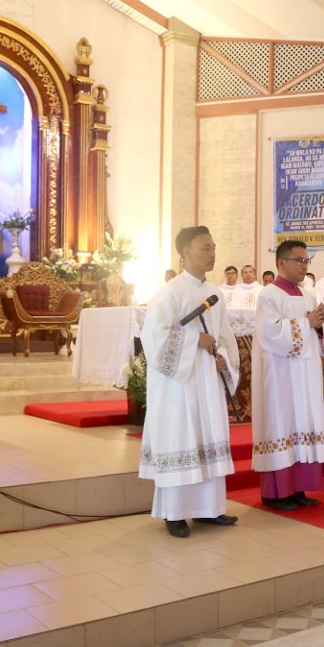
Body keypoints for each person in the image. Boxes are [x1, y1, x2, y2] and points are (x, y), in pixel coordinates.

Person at [139, 226, 240, 538]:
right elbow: (153, 338)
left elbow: (224, 336)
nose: (212, 253)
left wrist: (222, 354)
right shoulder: (170, 292)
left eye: (213, 247)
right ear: (184, 254)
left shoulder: (216, 294)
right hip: (178, 386)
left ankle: (208, 510)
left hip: (207, 379)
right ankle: (175, 513)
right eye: (204, 248)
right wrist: (196, 339)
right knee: (181, 438)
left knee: (206, 437)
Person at [252, 240, 324, 511]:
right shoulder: (268, 295)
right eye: (299, 260)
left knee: (303, 425)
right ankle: (276, 493)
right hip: (281, 374)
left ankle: (298, 488)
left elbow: (319, 334)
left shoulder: (307, 295)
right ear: (281, 262)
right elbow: (269, 333)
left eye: (307, 261)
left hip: (306, 374)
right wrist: (307, 323)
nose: (304, 265)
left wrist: (321, 326)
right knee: (282, 425)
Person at [227, 265, 263, 420]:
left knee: (256, 369)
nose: (248, 274)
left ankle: (258, 407)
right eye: (245, 272)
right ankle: (239, 406)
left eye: (250, 272)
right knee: (241, 370)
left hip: (257, 337)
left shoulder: (262, 290)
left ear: (255, 274)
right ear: (241, 275)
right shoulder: (235, 291)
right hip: (239, 338)